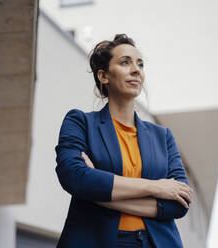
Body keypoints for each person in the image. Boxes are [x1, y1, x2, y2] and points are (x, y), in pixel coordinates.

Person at [55, 34, 193, 248]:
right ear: (103, 76)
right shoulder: (80, 122)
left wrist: (97, 195)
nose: (136, 70)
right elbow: (74, 177)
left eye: (140, 64)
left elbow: (179, 204)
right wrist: (156, 187)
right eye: (125, 62)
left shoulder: (162, 136)